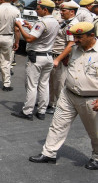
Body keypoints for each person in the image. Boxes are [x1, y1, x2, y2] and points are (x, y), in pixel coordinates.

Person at [28, 22, 98, 170]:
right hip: (69, 94)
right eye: (75, 37)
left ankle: (97, 157)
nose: (76, 40)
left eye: (80, 37)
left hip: (92, 99)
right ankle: (49, 153)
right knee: (57, 125)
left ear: (92, 35)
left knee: (95, 131)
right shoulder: (74, 49)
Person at [13, 0, 60, 121]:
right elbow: (41, 34)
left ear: (45, 10)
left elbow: (29, 38)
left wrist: (19, 27)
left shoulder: (42, 22)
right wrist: (29, 26)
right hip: (48, 56)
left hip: (37, 57)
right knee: (44, 85)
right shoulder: (54, 21)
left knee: (32, 85)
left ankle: (28, 111)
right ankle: (42, 111)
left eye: (38, 8)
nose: (36, 10)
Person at [47, 0, 79, 114]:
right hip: (55, 55)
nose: (61, 12)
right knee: (52, 82)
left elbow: (71, 45)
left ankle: (59, 106)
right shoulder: (65, 22)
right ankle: (51, 103)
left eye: (63, 10)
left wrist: (58, 58)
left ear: (72, 12)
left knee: (59, 83)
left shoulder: (72, 25)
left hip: (61, 57)